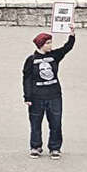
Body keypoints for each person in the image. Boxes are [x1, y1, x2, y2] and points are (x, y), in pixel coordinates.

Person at [22, 26, 76, 159]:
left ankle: (55, 147)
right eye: (48, 43)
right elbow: (27, 79)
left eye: (51, 42)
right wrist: (27, 96)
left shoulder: (54, 56)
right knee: (35, 123)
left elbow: (66, 48)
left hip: (54, 95)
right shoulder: (31, 60)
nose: (50, 45)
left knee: (56, 122)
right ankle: (35, 146)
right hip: (36, 97)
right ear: (41, 45)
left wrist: (72, 35)